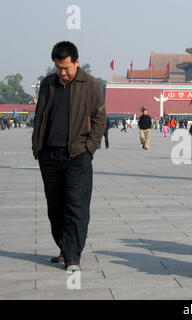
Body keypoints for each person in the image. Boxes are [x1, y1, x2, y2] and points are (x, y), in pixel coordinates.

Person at [31, 41, 106, 272]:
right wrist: (37, 146)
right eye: (58, 68)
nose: (62, 73)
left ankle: (73, 256)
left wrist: (89, 148)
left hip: (77, 155)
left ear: (76, 62)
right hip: (49, 155)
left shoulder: (90, 85)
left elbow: (99, 118)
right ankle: (65, 248)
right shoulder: (48, 84)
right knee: (55, 206)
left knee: (76, 205)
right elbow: (40, 115)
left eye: (66, 68)